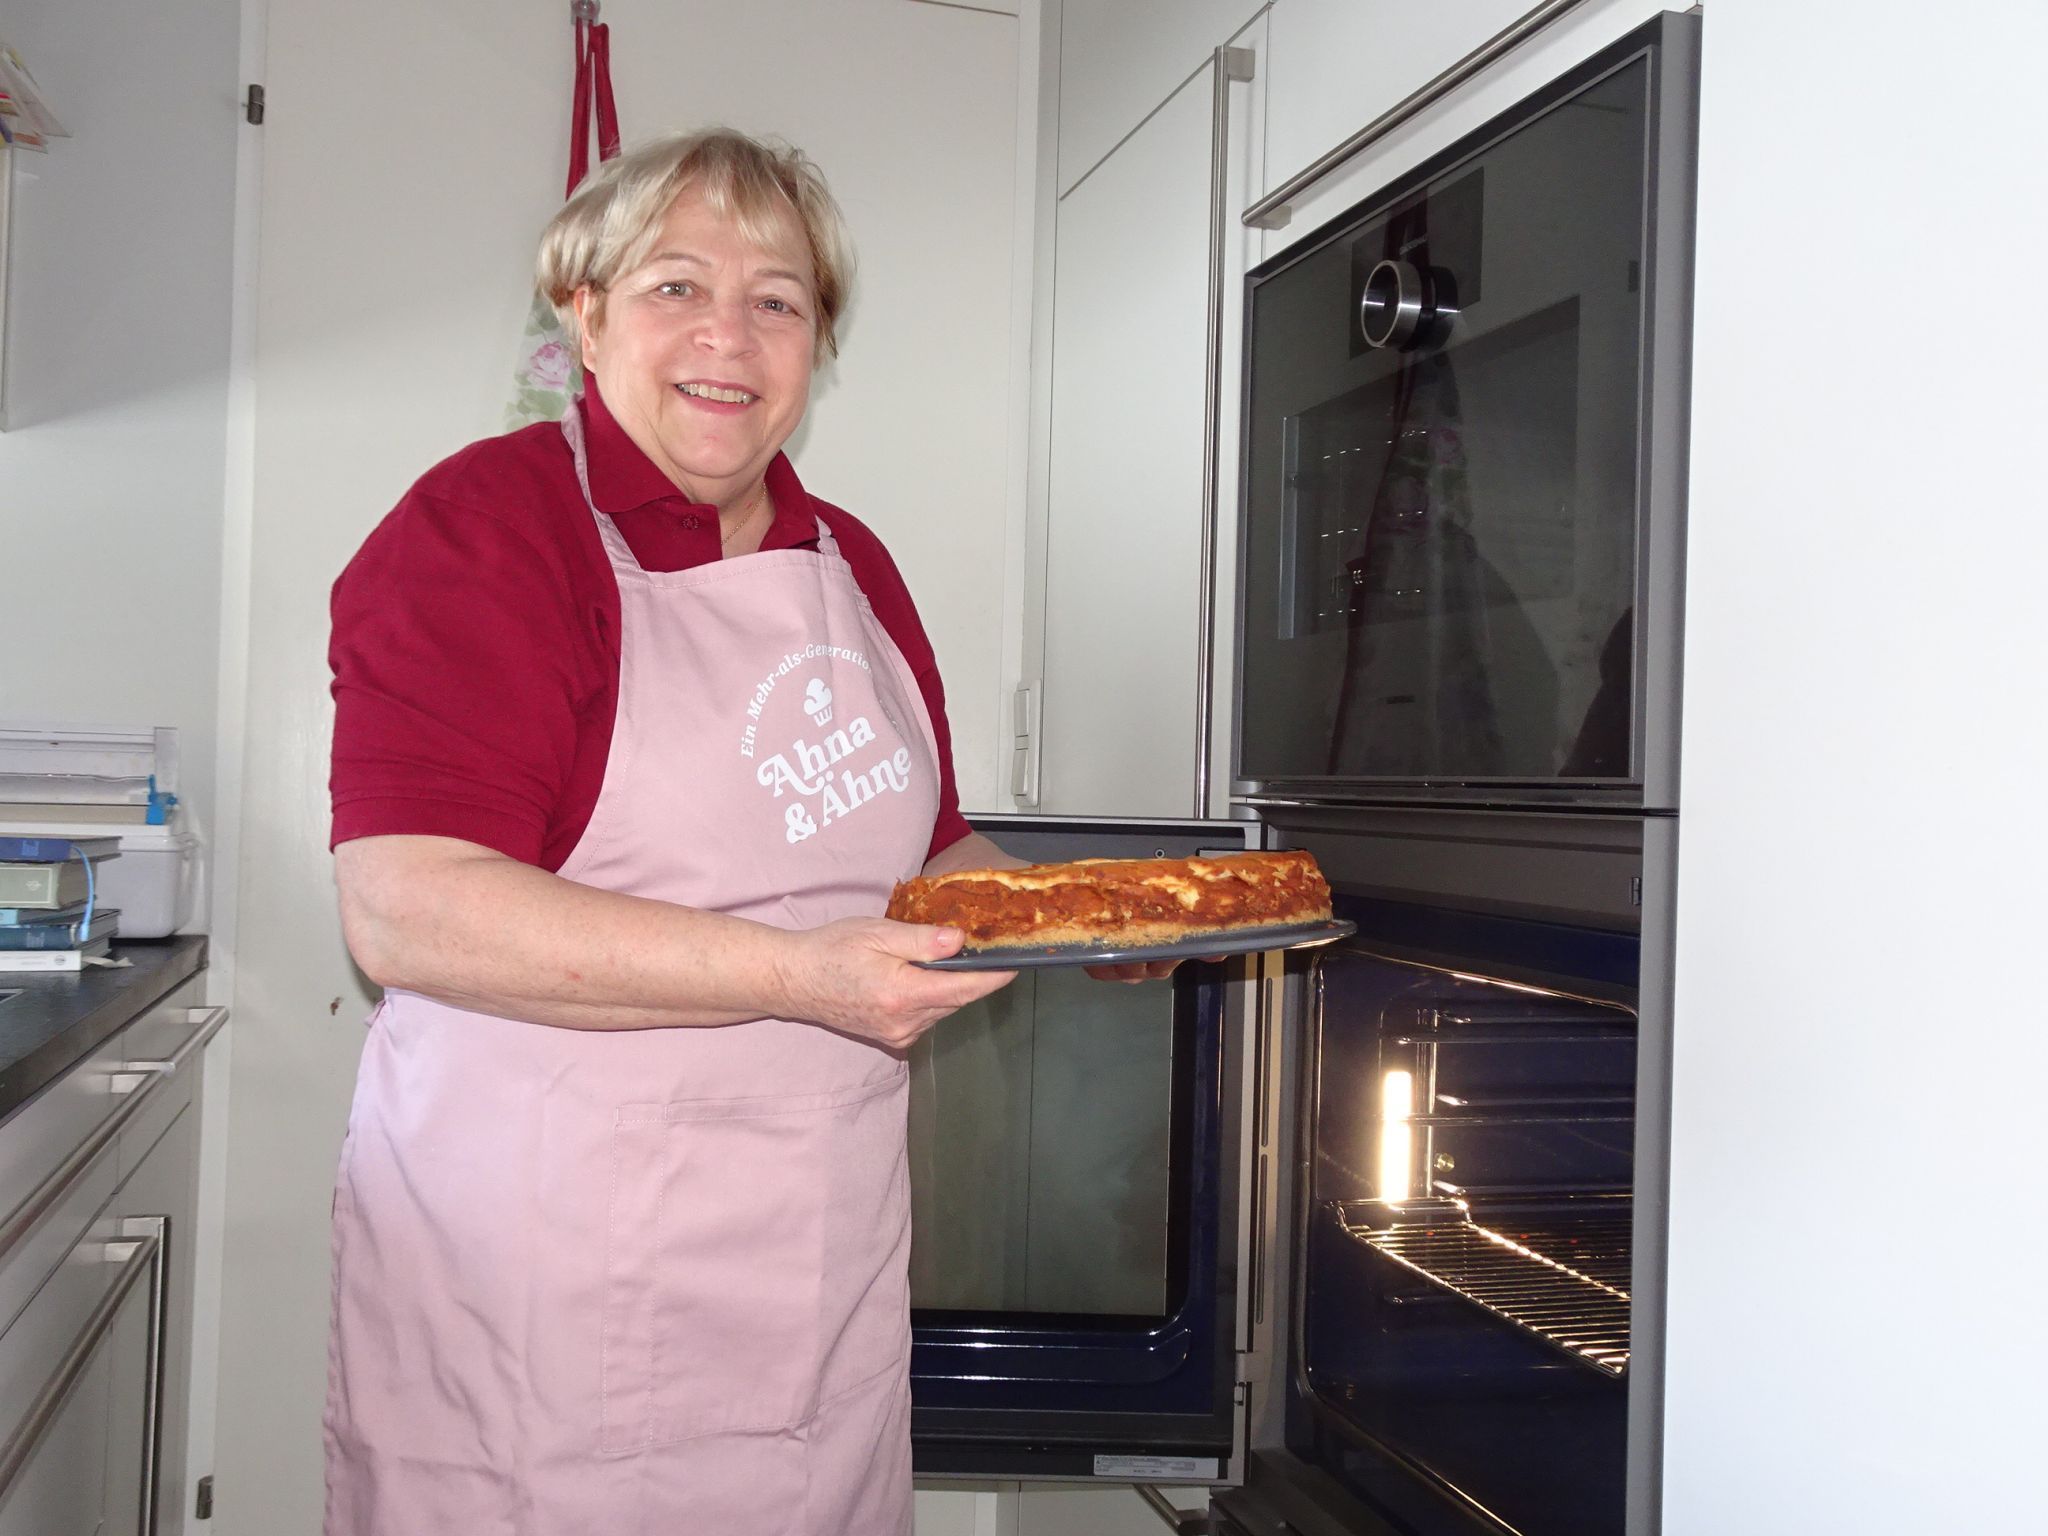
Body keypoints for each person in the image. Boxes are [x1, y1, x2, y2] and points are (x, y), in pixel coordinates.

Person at [323, 128, 1174, 1536]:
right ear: (581, 311)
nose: (730, 335)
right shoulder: (486, 530)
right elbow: (408, 908)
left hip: (813, 1257)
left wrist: (1087, 917)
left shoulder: (847, 562)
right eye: (674, 287)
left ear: (818, 345)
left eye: (779, 299)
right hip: (544, 1276)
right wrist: (792, 975)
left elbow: (928, 857)